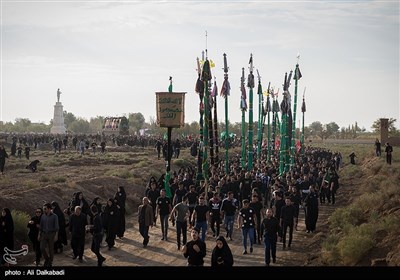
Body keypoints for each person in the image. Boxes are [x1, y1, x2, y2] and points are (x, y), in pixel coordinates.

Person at [39, 203, 59, 267]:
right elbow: (41, 226)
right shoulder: (43, 216)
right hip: (44, 234)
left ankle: (50, 261)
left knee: (51, 249)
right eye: (43, 209)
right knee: (41, 248)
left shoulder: (55, 216)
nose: (44, 210)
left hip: (51, 234)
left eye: (45, 209)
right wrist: (39, 234)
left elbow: (57, 227)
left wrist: (56, 235)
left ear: (49, 209)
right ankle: (47, 259)